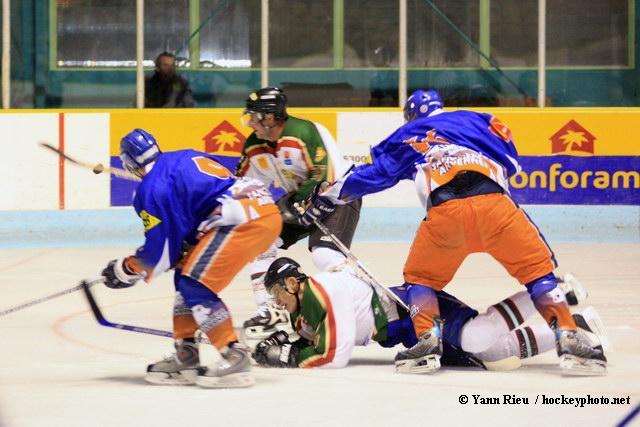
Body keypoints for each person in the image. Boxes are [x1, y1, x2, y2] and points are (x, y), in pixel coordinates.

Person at [300, 89, 607, 375]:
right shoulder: (480, 120)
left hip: (446, 214)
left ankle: (428, 344)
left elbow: (375, 175)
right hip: (497, 208)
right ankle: (569, 338)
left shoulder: (410, 133)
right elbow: (512, 163)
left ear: (411, 116)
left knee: (420, 280)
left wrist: (327, 198)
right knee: (539, 273)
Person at [99, 128, 282, 388]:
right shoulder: (181, 157)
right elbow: (189, 223)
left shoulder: (152, 189)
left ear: (128, 163)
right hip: (260, 209)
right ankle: (186, 355)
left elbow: (160, 253)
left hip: (239, 219)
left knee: (195, 285)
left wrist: (125, 269)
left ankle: (235, 356)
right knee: (186, 274)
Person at [251, 257, 606, 372]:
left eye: (278, 292)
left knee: (477, 337)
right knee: (493, 353)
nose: (277, 301)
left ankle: (552, 288)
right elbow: (324, 337)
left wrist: (292, 355)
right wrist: (297, 340)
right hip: (405, 331)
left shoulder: (322, 291)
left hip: (414, 309)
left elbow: (334, 354)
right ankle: (583, 325)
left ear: (295, 283)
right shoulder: (306, 308)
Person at [236, 87, 360, 336]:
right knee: (261, 243)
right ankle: (269, 312)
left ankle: (357, 305)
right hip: (300, 201)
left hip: (338, 195)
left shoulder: (305, 132)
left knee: (324, 254)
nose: (250, 123)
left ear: (269, 118)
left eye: (254, 116)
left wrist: (302, 202)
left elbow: (327, 177)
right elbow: (242, 186)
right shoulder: (255, 146)